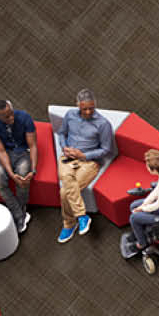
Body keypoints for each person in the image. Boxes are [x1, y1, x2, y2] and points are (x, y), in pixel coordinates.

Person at [55, 89, 114, 244]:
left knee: (64, 192)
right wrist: (64, 147)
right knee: (66, 180)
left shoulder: (103, 124)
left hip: (89, 162)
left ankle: (69, 223)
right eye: (84, 109)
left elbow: (107, 150)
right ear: (77, 105)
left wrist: (84, 156)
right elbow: (62, 134)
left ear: (95, 105)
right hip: (68, 157)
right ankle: (81, 216)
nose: (88, 112)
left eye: (91, 108)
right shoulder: (70, 115)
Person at [0, 100, 36, 233]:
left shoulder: (24, 117)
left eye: (11, 113)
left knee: (23, 176)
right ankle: (20, 215)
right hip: (5, 153)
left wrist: (33, 170)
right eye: (6, 116)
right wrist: (11, 174)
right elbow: (0, 151)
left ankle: (18, 216)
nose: (11, 117)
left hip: (23, 152)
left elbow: (32, 146)